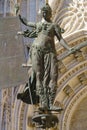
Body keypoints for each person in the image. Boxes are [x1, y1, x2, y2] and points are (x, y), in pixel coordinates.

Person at [18, 3, 74, 111]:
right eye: (43, 12)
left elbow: (61, 39)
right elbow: (27, 22)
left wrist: (69, 48)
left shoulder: (54, 26)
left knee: (53, 76)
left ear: (50, 14)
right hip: (37, 50)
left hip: (50, 52)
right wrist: (18, 15)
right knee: (39, 75)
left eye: (46, 12)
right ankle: (43, 102)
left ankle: (50, 103)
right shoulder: (38, 25)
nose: (44, 14)